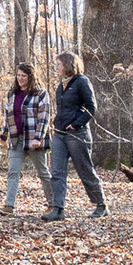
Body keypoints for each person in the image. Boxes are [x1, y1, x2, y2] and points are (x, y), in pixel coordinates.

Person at [43, 52, 107, 221]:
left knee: (84, 169)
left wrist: (77, 123)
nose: (56, 67)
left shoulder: (82, 82)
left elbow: (91, 107)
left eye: (58, 64)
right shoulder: (60, 85)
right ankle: (58, 209)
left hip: (77, 134)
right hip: (59, 134)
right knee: (56, 171)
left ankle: (101, 205)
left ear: (68, 65)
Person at [0, 63, 50, 216]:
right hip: (16, 139)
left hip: (33, 140)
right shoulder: (12, 93)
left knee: (43, 172)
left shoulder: (40, 94)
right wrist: (3, 135)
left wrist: (39, 138)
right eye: (18, 75)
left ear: (30, 77)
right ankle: (9, 206)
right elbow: (8, 116)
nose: (20, 78)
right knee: (13, 172)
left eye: (23, 76)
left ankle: (53, 204)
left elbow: (43, 118)